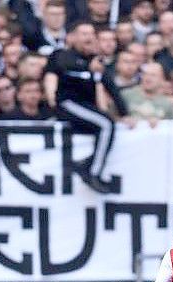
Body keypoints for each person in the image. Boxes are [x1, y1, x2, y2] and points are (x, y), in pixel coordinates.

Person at [44, 20, 129, 193]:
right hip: (67, 104)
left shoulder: (96, 61)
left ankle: (87, 164)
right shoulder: (62, 55)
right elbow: (64, 65)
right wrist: (88, 68)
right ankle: (93, 172)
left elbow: (111, 88)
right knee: (106, 124)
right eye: (84, 34)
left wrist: (125, 113)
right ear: (72, 37)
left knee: (107, 124)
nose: (89, 38)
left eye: (91, 34)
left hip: (86, 107)